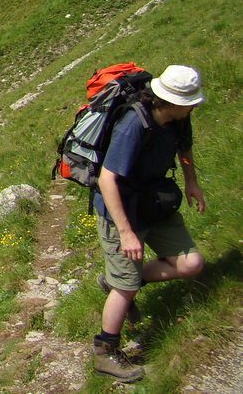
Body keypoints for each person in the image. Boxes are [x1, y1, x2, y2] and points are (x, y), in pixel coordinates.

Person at [92, 65, 206, 383]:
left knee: (191, 263)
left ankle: (118, 279)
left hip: (154, 201)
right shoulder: (133, 124)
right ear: (170, 101)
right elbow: (107, 180)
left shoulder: (180, 120)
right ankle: (105, 352)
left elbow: (185, 150)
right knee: (126, 288)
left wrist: (192, 182)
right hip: (122, 210)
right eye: (190, 102)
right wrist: (126, 233)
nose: (195, 105)